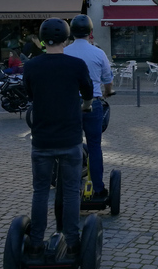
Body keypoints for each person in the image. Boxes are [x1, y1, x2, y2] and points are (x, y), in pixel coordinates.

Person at [22, 18, 93, 260]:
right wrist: (86, 105)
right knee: (72, 191)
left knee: (40, 191)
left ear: (42, 40)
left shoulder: (31, 66)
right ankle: (72, 242)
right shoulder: (76, 64)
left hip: (41, 140)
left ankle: (35, 243)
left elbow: (30, 93)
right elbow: (88, 92)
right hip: (70, 139)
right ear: (66, 39)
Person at [64, 14, 114, 200]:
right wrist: (107, 92)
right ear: (90, 32)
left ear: (71, 32)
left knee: (73, 146)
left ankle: (74, 187)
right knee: (94, 147)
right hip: (93, 102)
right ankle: (98, 188)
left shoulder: (65, 52)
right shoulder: (98, 53)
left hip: (70, 105)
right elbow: (107, 80)